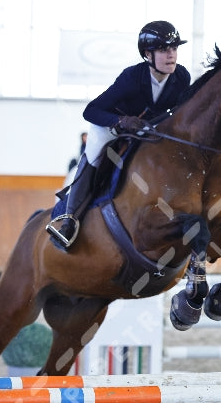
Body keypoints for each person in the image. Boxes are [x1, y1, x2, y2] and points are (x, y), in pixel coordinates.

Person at [47, 21, 191, 250]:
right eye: (164, 50)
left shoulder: (182, 77)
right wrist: (120, 121)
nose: (171, 55)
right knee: (93, 157)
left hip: (147, 134)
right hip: (110, 130)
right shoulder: (132, 77)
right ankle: (69, 218)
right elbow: (91, 110)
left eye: (174, 49)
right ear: (148, 54)